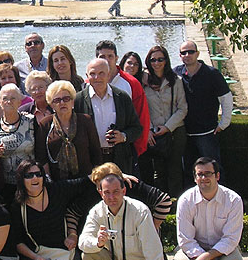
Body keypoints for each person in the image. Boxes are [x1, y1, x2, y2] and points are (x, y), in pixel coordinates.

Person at [11, 160, 86, 260]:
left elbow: (86, 182)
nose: (35, 178)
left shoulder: (56, 190)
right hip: (36, 254)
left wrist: (114, 174)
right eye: (29, 175)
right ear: (21, 179)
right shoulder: (17, 205)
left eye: (38, 174)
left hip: (62, 251)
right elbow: (18, 241)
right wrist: (35, 257)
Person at [173, 157, 244, 260]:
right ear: (194, 178)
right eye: (200, 174)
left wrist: (207, 257)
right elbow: (185, 239)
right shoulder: (185, 200)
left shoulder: (233, 200)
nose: (204, 178)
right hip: (195, 247)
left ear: (217, 176)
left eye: (208, 174)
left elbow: (231, 239)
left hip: (224, 250)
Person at [173, 40, 232, 177]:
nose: (187, 55)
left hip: (207, 133)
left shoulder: (212, 74)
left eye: (191, 52)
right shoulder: (176, 73)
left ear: (197, 53)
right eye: (184, 52)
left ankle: (220, 198)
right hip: (185, 133)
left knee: (213, 171)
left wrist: (224, 123)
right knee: (189, 172)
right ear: (180, 55)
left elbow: (226, 98)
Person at [74, 58, 142, 174]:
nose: (97, 78)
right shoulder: (78, 100)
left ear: (109, 74)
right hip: (92, 160)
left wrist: (123, 136)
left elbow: (136, 128)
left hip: (119, 158)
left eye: (101, 73)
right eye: (92, 74)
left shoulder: (122, 97)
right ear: (86, 75)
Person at [140, 46, 187, 198]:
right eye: (153, 60)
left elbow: (182, 109)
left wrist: (167, 127)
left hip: (174, 132)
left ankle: (176, 205)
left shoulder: (176, 81)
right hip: (154, 134)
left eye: (160, 59)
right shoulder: (144, 82)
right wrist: (149, 130)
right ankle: (161, 205)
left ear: (166, 60)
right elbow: (141, 109)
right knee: (158, 172)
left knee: (175, 170)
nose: (157, 63)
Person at [96, 40, 150, 159]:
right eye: (102, 57)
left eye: (110, 56)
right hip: (97, 152)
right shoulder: (90, 84)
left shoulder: (131, 83)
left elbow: (142, 117)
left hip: (126, 150)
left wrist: (137, 149)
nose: (106, 60)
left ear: (116, 58)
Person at [37, 81, 102, 181]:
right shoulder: (45, 124)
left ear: (72, 101)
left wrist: (95, 178)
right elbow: (42, 157)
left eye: (66, 99)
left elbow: (96, 152)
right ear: (52, 105)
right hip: (58, 183)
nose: (62, 103)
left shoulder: (85, 121)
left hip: (87, 179)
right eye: (57, 100)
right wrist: (49, 181)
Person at [0, 84, 36, 204]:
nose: (9, 101)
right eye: (5, 98)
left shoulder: (31, 121)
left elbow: (41, 149)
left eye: (13, 98)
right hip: (5, 186)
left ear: (19, 102)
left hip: (30, 181)